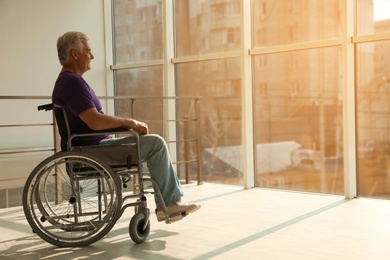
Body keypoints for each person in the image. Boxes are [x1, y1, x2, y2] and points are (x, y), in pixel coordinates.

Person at [52, 31, 200, 222]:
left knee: (150, 144)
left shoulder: (70, 81)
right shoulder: (71, 82)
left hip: (92, 147)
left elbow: (92, 121)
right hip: (92, 151)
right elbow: (95, 121)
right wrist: (130, 123)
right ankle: (169, 204)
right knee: (156, 144)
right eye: (88, 51)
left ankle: (168, 202)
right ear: (74, 54)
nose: (92, 56)